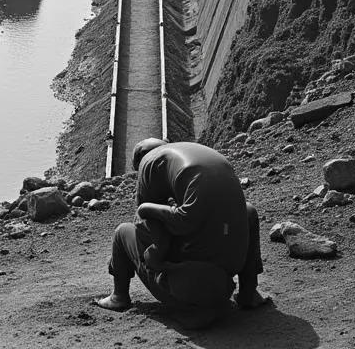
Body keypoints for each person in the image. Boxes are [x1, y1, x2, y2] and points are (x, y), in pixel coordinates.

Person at [95, 139, 268, 328]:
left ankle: (119, 296)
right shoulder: (190, 157)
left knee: (123, 232)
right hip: (225, 278)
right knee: (248, 212)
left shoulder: (149, 164)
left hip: (192, 289)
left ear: (139, 162)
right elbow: (198, 214)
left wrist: (158, 254)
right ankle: (249, 292)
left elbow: (148, 227)